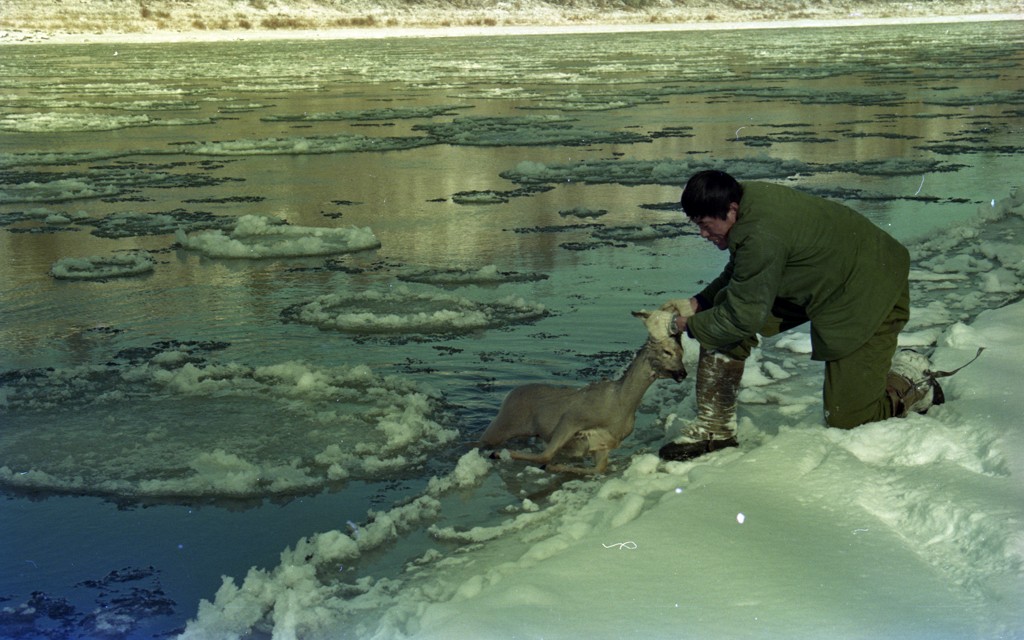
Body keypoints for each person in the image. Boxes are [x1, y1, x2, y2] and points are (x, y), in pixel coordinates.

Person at [658, 169, 942, 461]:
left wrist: (681, 324)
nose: (702, 234)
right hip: (826, 277)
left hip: (869, 285)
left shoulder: (760, 232)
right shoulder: (742, 202)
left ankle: (912, 378)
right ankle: (714, 430)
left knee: (851, 420)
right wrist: (699, 302)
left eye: (706, 225)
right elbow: (743, 268)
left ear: (731, 210)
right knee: (720, 311)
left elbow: (743, 313)